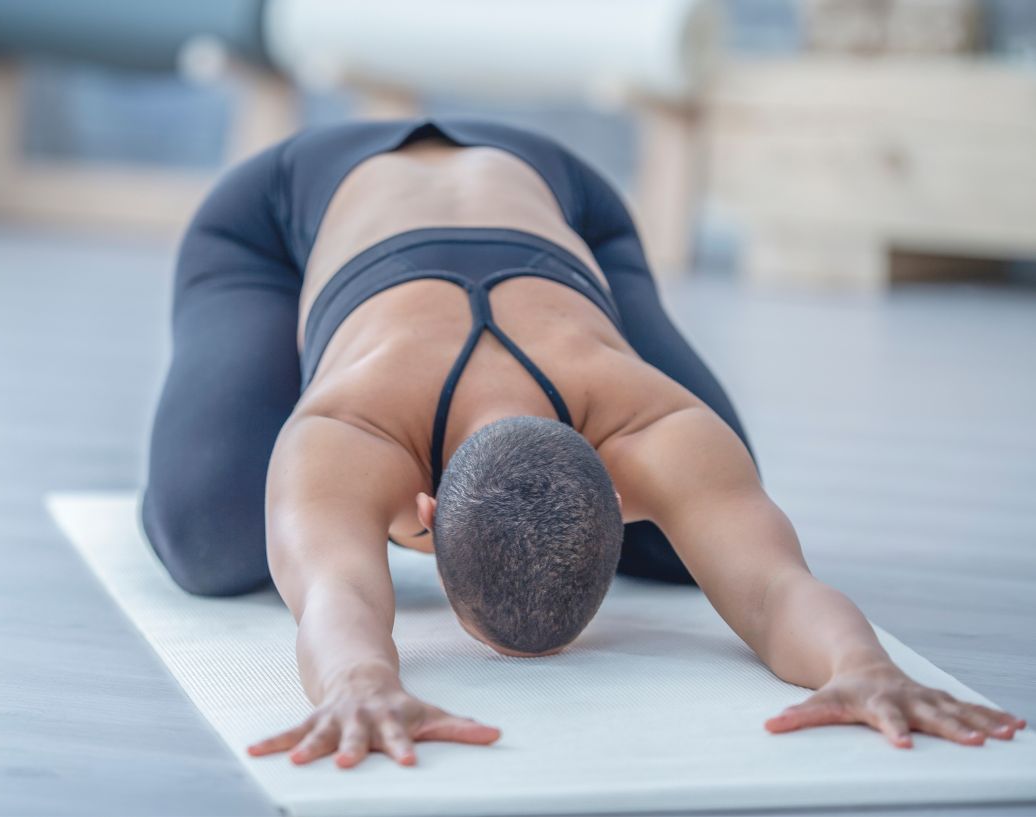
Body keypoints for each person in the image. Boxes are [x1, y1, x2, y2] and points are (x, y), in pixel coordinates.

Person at [139, 116, 1025, 769]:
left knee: (699, 547)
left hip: (554, 189)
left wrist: (863, 666)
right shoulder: (350, 424)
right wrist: (356, 681)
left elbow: (775, 590)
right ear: (421, 513)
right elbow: (335, 597)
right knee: (209, 540)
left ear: (618, 480)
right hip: (284, 206)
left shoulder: (655, 424)